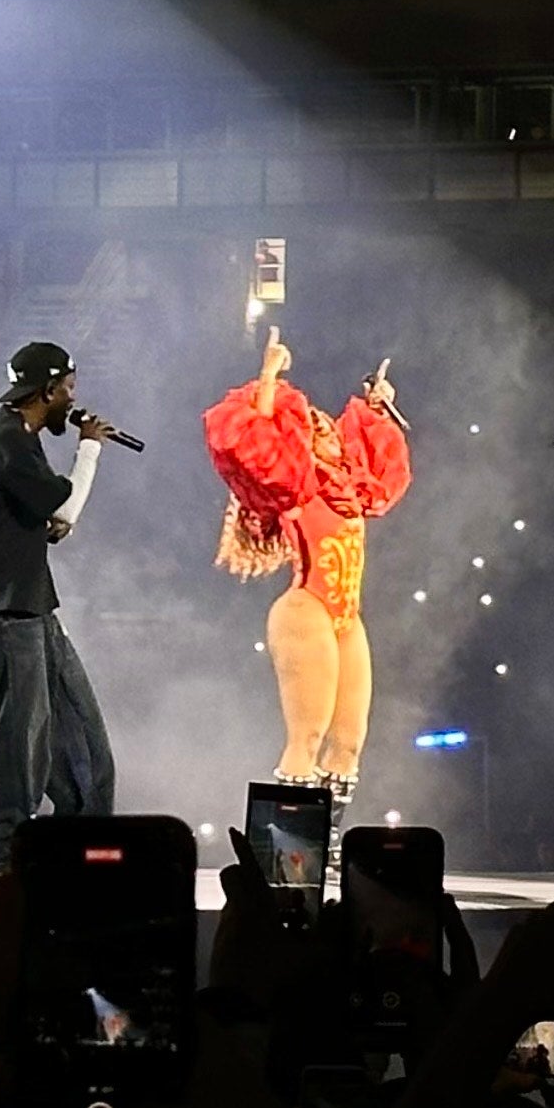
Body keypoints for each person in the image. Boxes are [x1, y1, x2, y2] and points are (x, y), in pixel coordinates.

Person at [202, 324, 413, 806]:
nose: (331, 434)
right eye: (318, 430)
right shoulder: (297, 486)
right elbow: (252, 442)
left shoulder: (353, 490)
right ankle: (287, 843)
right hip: (306, 610)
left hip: (346, 619)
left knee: (349, 744)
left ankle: (330, 839)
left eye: (332, 429)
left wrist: (377, 406)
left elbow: (381, 465)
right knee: (308, 736)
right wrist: (269, 376)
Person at [0, 340, 120, 886]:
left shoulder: (19, 439)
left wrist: (41, 526)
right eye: (68, 388)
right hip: (3, 617)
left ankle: (80, 848)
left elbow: (39, 514)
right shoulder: (7, 440)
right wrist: (90, 447)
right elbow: (64, 503)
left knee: (84, 745)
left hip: (31, 609)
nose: (73, 399)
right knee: (21, 746)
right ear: (46, 391)